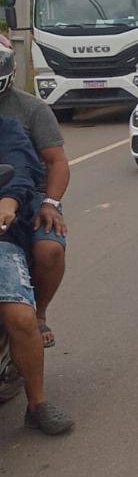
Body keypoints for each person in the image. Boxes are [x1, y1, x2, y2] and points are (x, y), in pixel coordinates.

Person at [0, 109, 74, 434]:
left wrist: (8, 201)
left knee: (20, 318)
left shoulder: (8, 128)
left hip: (3, 233)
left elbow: (20, 169)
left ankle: (37, 404)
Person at [0, 37, 70, 351]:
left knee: (48, 249)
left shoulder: (31, 109)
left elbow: (56, 162)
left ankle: (37, 314)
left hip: (30, 197)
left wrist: (51, 203)